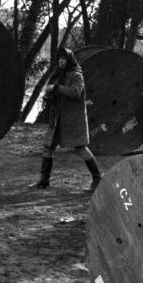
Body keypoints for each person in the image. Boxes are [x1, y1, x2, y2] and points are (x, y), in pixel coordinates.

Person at [28, 46, 102, 192]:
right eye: (59, 59)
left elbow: (75, 92)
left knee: (80, 148)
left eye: (63, 59)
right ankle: (44, 180)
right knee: (48, 147)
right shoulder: (58, 74)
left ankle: (97, 178)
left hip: (73, 120)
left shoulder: (76, 75)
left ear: (69, 60)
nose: (61, 62)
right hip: (57, 119)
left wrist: (57, 88)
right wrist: (49, 94)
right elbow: (55, 92)